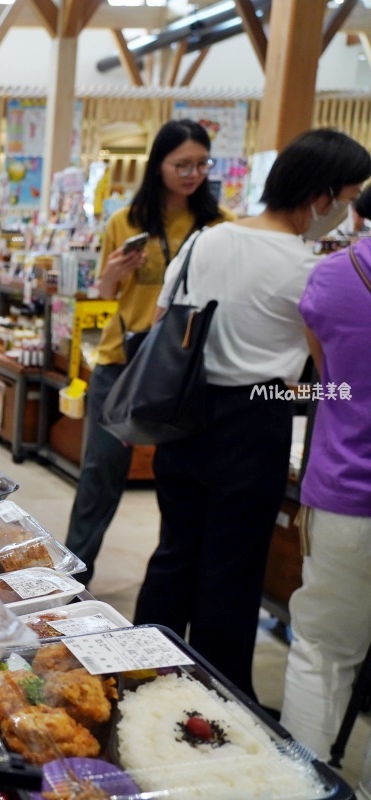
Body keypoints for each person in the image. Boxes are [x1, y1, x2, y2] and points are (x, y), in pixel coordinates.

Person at [132, 129, 371, 700]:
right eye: (347, 196)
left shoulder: (206, 240)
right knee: (232, 569)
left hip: (184, 411)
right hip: (257, 413)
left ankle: (138, 673)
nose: (345, 213)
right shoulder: (312, 268)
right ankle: (218, 698)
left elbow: (167, 316)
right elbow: (325, 375)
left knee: (174, 552)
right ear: (321, 197)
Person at [65, 120, 234, 586]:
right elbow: (102, 296)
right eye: (182, 164)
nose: (192, 173)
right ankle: (72, 581)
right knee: (100, 475)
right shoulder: (126, 222)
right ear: (157, 165)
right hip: (124, 364)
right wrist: (112, 275)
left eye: (202, 164)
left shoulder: (222, 226)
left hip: (186, 370)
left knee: (182, 481)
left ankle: (176, 579)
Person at [280, 206, 371, 796]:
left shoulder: (336, 276)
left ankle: (302, 786)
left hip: (347, 492)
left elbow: (329, 377)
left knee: (321, 650)